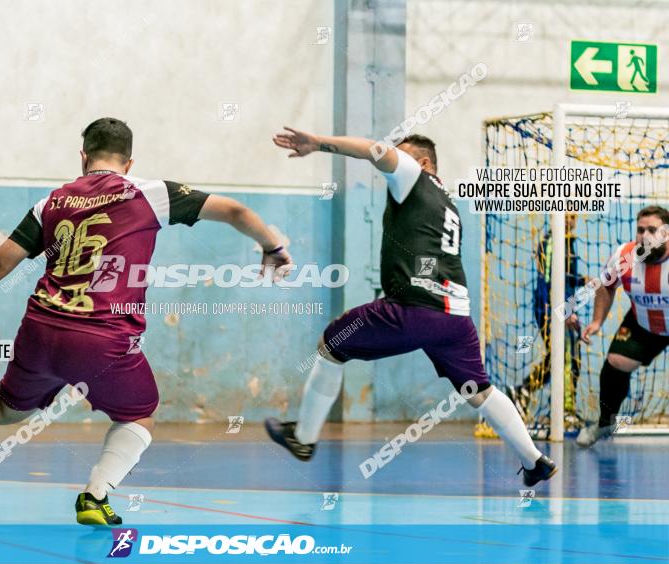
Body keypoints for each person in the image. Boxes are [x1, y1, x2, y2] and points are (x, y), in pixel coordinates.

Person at [0, 117, 292, 525]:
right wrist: (273, 247)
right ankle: (95, 497)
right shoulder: (150, 192)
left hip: (41, 327)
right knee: (139, 414)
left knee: (6, 406)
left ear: (82, 157)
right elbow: (237, 211)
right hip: (104, 338)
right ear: (129, 161)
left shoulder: (52, 201)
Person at [264, 128, 555, 487]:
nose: (391, 163)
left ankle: (304, 438)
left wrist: (318, 143)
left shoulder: (415, 178)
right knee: (478, 391)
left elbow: (373, 151)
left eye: (400, 156)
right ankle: (534, 460)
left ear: (423, 162)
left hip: (413, 307)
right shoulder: (447, 203)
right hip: (454, 317)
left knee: (331, 345)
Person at [577, 205, 669, 447]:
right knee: (616, 362)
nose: (645, 236)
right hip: (643, 323)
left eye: (652, 229)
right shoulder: (624, 257)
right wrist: (597, 322)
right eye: (640, 230)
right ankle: (606, 423)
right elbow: (606, 286)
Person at [510, 214, 585, 437]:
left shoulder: (568, 241)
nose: (571, 220)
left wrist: (582, 281)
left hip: (560, 307)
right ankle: (564, 410)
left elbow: (564, 276)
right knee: (567, 356)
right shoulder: (553, 242)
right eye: (567, 215)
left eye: (573, 215)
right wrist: (561, 311)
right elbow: (549, 280)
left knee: (561, 356)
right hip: (551, 309)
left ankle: (523, 391)